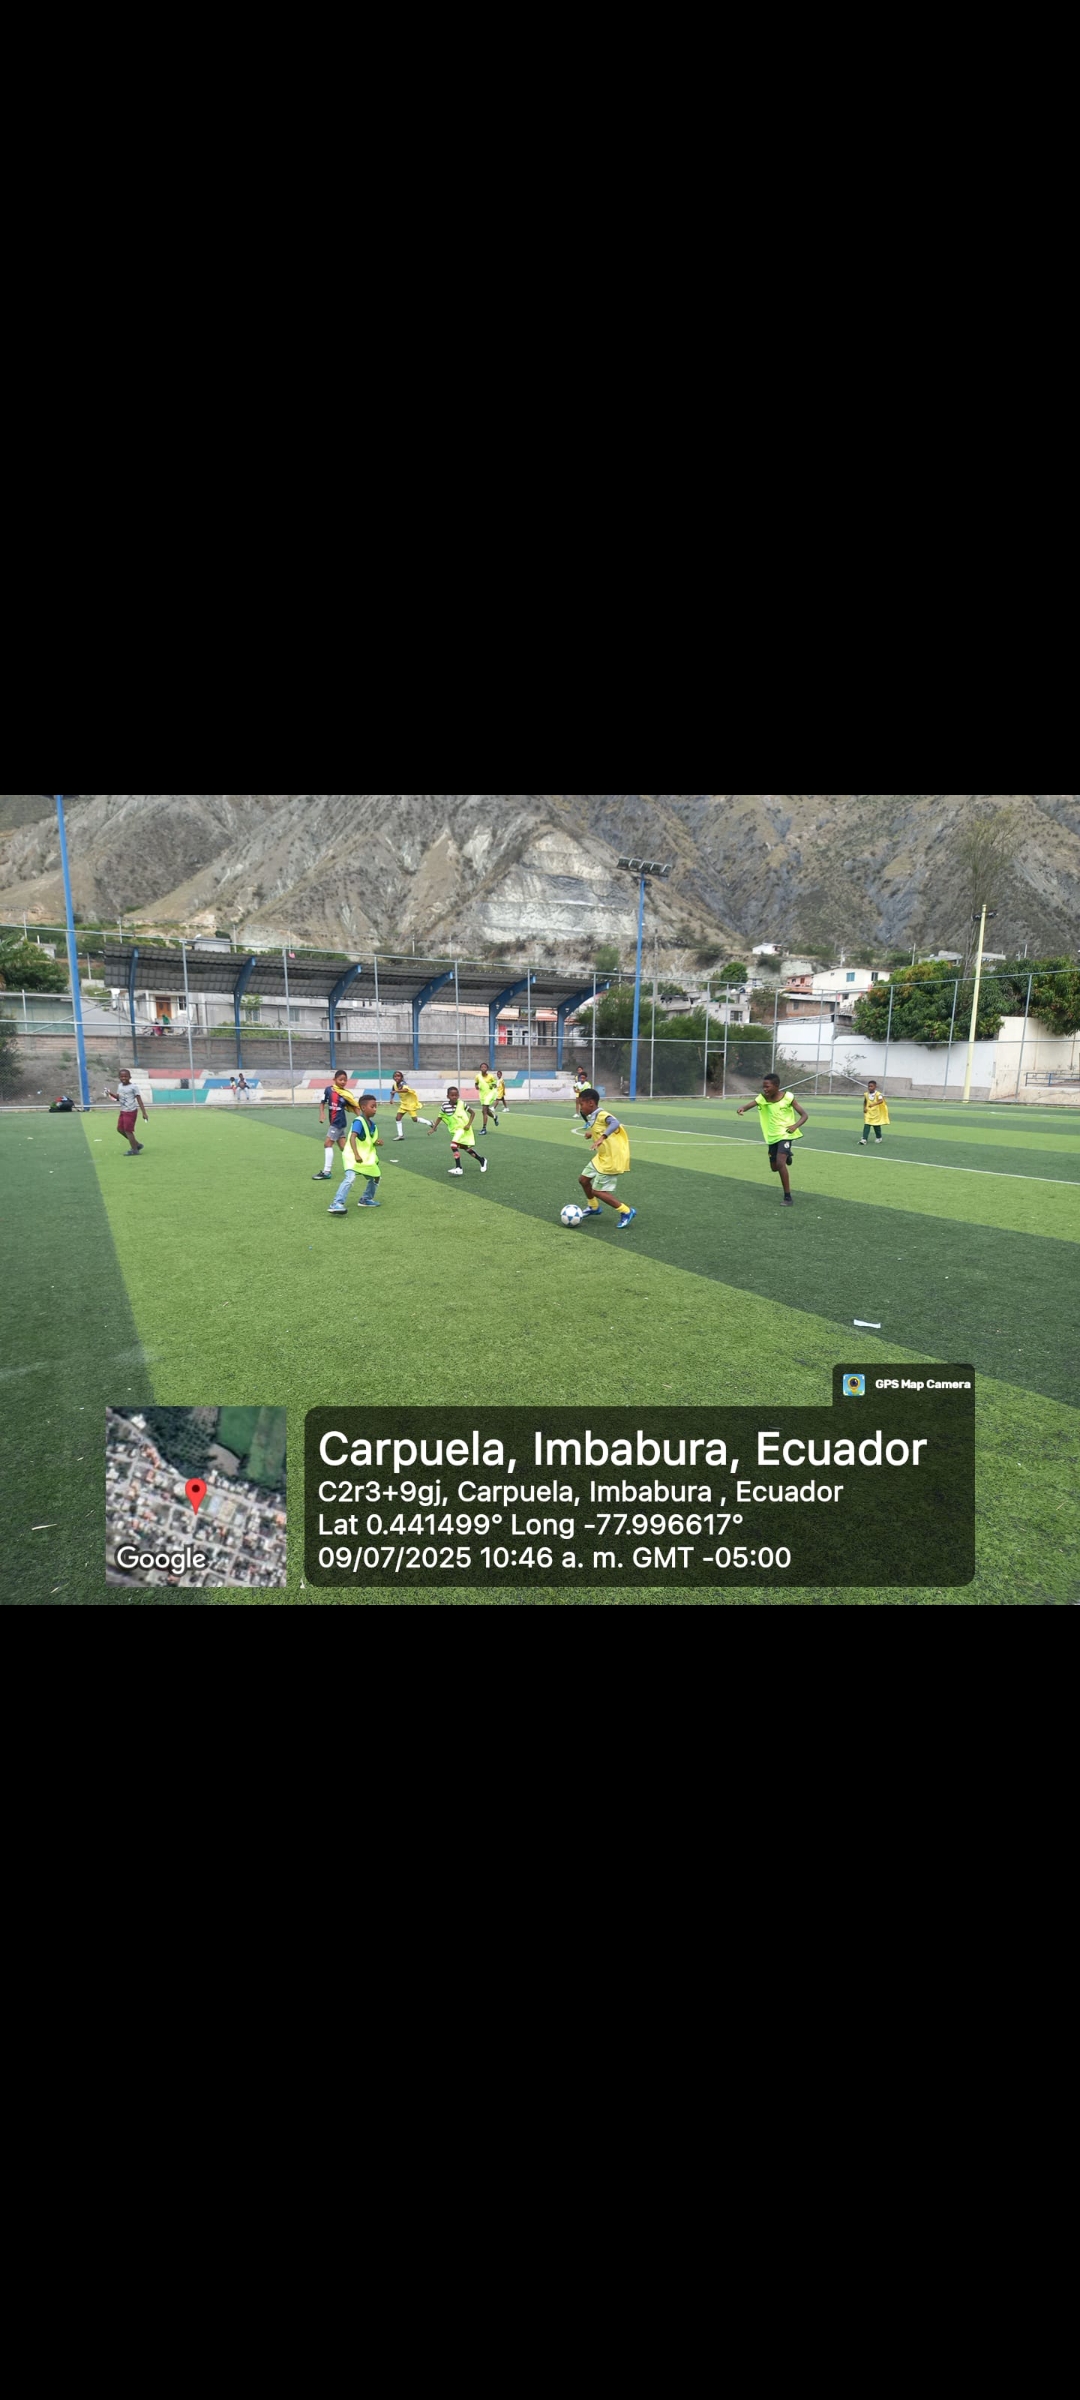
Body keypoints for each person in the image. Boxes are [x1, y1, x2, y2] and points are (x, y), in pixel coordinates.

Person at [736, 1074, 808, 1205]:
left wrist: (795, 1126)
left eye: (767, 1087)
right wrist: (742, 1108)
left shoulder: (788, 1097)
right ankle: (787, 1155)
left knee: (780, 1164)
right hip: (772, 1136)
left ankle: (788, 1197)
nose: (765, 1089)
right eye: (763, 1087)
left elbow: (804, 1115)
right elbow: (751, 1104)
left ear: (776, 1086)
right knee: (774, 1168)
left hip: (786, 1134)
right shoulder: (763, 1098)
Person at [575, 1086, 636, 1228]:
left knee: (598, 1191)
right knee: (583, 1180)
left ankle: (627, 1211)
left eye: (582, 1104)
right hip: (602, 1157)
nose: (581, 1108)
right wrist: (592, 1134)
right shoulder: (594, 1116)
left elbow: (615, 1123)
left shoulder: (602, 1114)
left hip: (611, 1159)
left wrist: (602, 1137)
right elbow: (599, 1128)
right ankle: (593, 1207)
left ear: (591, 1103)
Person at [329, 1094, 383, 1214]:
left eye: (376, 1107)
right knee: (350, 1178)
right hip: (352, 1156)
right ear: (363, 1108)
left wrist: (377, 1143)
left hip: (366, 1158)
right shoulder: (359, 1121)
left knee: (376, 1176)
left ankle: (366, 1199)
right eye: (372, 1106)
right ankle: (336, 1203)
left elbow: (368, 1141)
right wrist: (356, 1154)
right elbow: (353, 1137)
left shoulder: (373, 1125)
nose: (375, 1109)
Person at [313, 1069, 360, 1179]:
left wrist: (361, 1119)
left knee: (327, 1144)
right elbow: (322, 1102)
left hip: (338, 1122)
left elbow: (354, 1106)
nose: (343, 1082)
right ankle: (356, 1166)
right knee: (344, 1147)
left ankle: (327, 1171)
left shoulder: (345, 1095)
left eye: (345, 1080)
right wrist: (322, 1114)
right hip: (335, 1122)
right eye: (340, 1079)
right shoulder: (328, 1090)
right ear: (334, 1079)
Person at [429, 1087, 488, 1175]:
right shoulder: (444, 1106)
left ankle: (458, 1168)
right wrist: (434, 1128)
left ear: (458, 1095)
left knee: (453, 1145)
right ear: (448, 1096)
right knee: (465, 1148)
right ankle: (482, 1160)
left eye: (456, 1095)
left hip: (463, 1129)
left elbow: (473, 1113)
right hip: (454, 1130)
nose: (454, 1097)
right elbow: (440, 1117)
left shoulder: (462, 1104)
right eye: (452, 1095)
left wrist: (468, 1124)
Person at [106, 1069, 149, 1155]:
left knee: (128, 1130)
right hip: (123, 1111)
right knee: (120, 1129)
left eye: (126, 1076)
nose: (124, 1078)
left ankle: (134, 1150)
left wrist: (144, 1113)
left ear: (130, 1077)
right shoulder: (120, 1086)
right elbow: (118, 1098)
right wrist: (109, 1093)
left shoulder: (133, 1087)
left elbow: (139, 1100)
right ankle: (136, 1144)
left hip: (130, 1111)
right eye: (122, 1076)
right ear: (119, 1077)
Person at [390, 1069, 431, 1140]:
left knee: (414, 1119)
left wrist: (396, 1091)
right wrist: (391, 1099)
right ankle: (400, 1135)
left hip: (410, 1104)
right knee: (398, 1118)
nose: (396, 1077)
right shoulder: (394, 1085)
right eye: (395, 1076)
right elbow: (392, 1092)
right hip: (403, 1104)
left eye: (398, 1076)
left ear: (401, 1077)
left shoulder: (403, 1083)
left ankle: (429, 1123)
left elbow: (405, 1090)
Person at [860, 1081, 890, 1147]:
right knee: (867, 1124)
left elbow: (881, 1101)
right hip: (868, 1112)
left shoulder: (878, 1094)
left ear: (875, 1087)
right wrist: (864, 1108)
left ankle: (879, 1137)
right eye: (869, 1086)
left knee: (876, 1125)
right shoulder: (866, 1094)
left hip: (876, 1112)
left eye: (871, 1086)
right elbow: (865, 1101)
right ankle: (864, 1139)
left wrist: (873, 1104)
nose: (870, 1088)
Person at [475, 1062, 500, 1133]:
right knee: (485, 1111)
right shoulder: (478, 1076)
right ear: (480, 1068)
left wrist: (492, 1085)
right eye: (482, 1067)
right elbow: (476, 1084)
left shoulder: (491, 1076)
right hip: (482, 1095)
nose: (483, 1068)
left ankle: (484, 1129)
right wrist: (477, 1087)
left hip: (489, 1094)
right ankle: (494, 1117)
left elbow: (495, 1084)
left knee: (484, 1111)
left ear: (487, 1068)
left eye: (485, 1067)